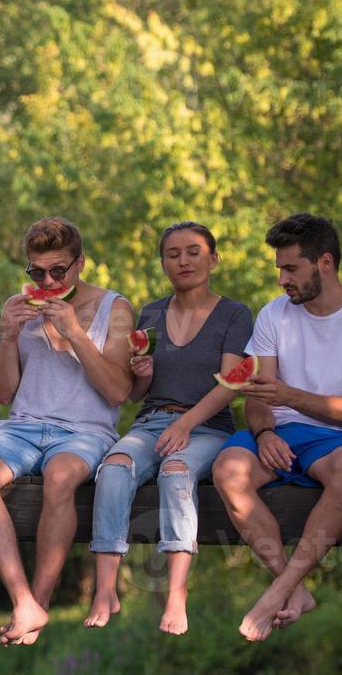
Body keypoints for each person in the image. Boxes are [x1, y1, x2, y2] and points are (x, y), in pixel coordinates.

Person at [211, 213, 342, 642]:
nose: (281, 279)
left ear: (324, 262)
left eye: (291, 268)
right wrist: (264, 433)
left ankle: (276, 592)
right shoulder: (273, 315)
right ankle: (291, 587)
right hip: (279, 433)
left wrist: (289, 396)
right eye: (279, 268)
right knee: (227, 470)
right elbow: (259, 398)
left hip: (339, 439)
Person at [0, 217, 134, 646]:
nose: (48, 280)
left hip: (85, 430)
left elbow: (117, 392)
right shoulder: (16, 307)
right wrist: (7, 336)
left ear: (80, 263)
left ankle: (39, 600)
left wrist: (75, 332)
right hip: (21, 426)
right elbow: (3, 393)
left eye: (58, 271)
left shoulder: (116, 308)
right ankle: (23, 600)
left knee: (60, 477)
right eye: (36, 273)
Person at [85, 222, 252, 635]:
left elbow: (232, 382)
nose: (183, 261)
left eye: (193, 252)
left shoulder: (234, 314)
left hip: (208, 426)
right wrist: (142, 372)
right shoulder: (151, 313)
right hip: (153, 422)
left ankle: (177, 593)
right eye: (173, 254)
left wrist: (187, 423)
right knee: (114, 467)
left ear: (213, 259)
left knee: (175, 473)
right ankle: (105, 588)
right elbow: (140, 393)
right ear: (163, 263)